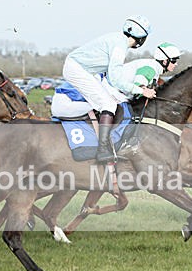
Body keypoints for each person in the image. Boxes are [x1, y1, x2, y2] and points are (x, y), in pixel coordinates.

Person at [62, 16, 153, 162]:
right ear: (142, 38)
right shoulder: (120, 46)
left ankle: (100, 140)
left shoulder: (117, 39)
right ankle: (102, 150)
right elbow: (116, 79)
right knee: (108, 104)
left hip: (81, 69)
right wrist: (141, 91)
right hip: (76, 69)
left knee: (110, 102)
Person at [52, 42, 183, 120]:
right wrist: (145, 90)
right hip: (109, 90)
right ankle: (104, 147)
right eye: (174, 60)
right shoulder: (151, 68)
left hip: (111, 89)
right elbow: (139, 84)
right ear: (165, 61)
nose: (176, 64)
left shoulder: (153, 67)